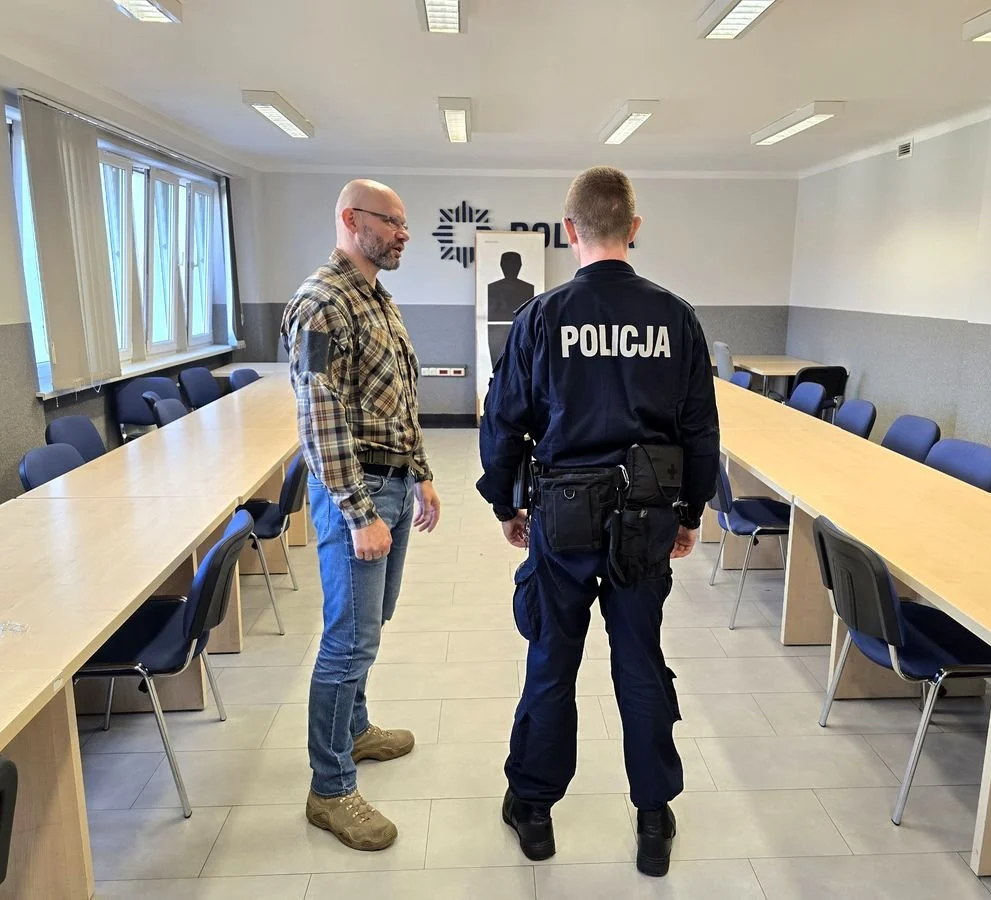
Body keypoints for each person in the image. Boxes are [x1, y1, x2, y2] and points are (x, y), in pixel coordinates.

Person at [476, 166, 720, 877]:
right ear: (634, 229)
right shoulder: (676, 318)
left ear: (569, 230)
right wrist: (690, 511)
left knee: (553, 658)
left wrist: (506, 503)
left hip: (563, 514)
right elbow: (699, 428)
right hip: (647, 515)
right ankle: (653, 818)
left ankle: (534, 808)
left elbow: (504, 420)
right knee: (639, 661)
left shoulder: (541, 317)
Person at [281, 179, 442, 852]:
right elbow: (321, 420)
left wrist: (422, 472)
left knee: (371, 624)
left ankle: (354, 728)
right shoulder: (322, 304)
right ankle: (330, 788)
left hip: (394, 482)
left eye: (406, 224)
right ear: (352, 219)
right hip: (361, 490)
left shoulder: (375, 297)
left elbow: (397, 397)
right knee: (348, 639)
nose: (405, 234)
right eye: (393, 222)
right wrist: (357, 511)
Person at [487, 251, 536, 321]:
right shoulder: (492, 287)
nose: (511, 268)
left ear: (519, 265)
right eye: (508, 264)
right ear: (502, 265)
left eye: (514, 265)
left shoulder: (529, 288)